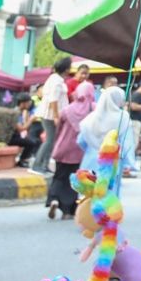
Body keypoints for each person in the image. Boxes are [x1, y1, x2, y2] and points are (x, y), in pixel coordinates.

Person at [47, 82, 95, 219]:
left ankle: (54, 199)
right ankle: (68, 210)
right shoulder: (93, 110)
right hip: (80, 151)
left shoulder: (67, 110)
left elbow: (58, 129)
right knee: (74, 180)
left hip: (63, 148)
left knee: (59, 176)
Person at [31, 56, 72, 174]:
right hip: (49, 115)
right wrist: (55, 116)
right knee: (49, 140)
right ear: (66, 69)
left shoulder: (55, 78)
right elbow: (53, 99)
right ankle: (37, 165)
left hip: (50, 114)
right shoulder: (56, 81)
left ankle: (44, 165)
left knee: (51, 140)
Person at [10, 93, 41, 167]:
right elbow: (21, 129)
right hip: (11, 138)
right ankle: (22, 160)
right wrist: (31, 120)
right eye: (28, 102)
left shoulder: (20, 112)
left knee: (35, 141)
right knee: (31, 142)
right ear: (22, 103)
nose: (29, 104)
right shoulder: (15, 112)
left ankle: (23, 159)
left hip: (15, 136)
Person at [127, 79, 141, 169]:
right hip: (134, 121)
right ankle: (129, 165)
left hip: (137, 121)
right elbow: (132, 106)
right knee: (134, 143)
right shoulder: (138, 94)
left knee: (135, 143)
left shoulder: (139, 95)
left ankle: (130, 165)